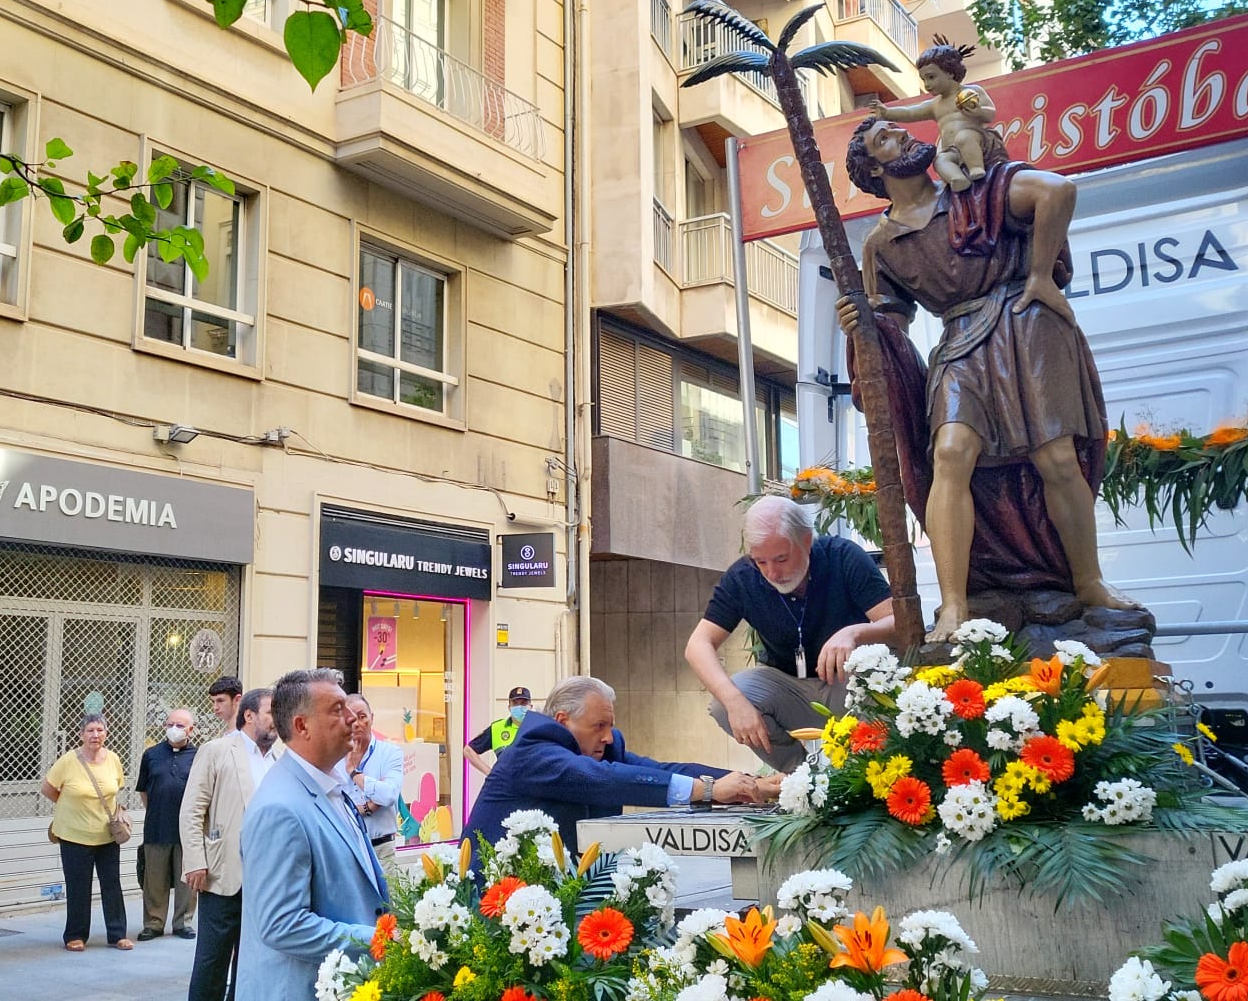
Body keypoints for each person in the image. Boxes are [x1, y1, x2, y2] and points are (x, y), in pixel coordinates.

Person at [840, 114, 1141, 644]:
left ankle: (1089, 583)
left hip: (1025, 322)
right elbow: (891, 322)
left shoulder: (978, 190)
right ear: (873, 170)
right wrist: (862, 326)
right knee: (950, 455)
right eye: (883, 138)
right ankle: (955, 606)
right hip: (959, 340)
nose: (903, 135)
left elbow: (1057, 191)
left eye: (897, 128)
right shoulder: (881, 244)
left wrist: (1041, 275)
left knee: (1056, 457)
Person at [686, 496, 897, 772]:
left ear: (806, 541)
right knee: (723, 705)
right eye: (760, 561)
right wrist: (734, 701)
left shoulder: (843, 556)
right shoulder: (742, 577)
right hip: (789, 687)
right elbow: (697, 645)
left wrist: (855, 633)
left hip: (848, 683)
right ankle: (804, 777)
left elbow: (900, 624)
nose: (772, 572)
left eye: (781, 559)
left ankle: (868, 774)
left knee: (884, 682)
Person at [467, 676, 771, 851]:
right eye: (598, 726)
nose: (608, 737)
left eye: (609, 726)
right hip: (494, 903)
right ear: (563, 721)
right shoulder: (535, 750)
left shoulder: (601, 748)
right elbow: (603, 780)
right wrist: (708, 790)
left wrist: (747, 783)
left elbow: (660, 771)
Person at [234, 669, 384, 1001]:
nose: (352, 719)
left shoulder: (332, 786)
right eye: (337, 709)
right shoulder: (280, 808)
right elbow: (282, 924)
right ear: (302, 726)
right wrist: (376, 941)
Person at [181, 688, 276, 1001]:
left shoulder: (276, 760)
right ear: (249, 715)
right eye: (271, 713)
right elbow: (192, 809)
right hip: (223, 876)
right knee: (212, 962)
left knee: (250, 965)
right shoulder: (218, 751)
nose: (277, 720)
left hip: (263, 881)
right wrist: (195, 859)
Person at [42, 713, 131, 952]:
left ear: (106, 733)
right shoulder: (68, 761)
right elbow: (48, 789)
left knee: (112, 884)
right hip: (74, 835)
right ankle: (76, 935)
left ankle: (117, 934)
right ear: (81, 735)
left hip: (106, 835)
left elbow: (115, 790)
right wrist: (69, 805)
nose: (95, 735)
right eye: (90, 730)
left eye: (100, 730)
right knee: (78, 886)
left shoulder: (113, 759)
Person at [873, 37, 996, 192]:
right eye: (923, 79)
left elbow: (991, 114)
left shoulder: (972, 92)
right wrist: (887, 113)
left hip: (976, 142)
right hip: (952, 150)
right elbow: (910, 113)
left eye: (931, 77)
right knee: (940, 160)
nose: (927, 84)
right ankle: (957, 178)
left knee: (964, 137)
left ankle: (976, 168)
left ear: (950, 73)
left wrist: (979, 112)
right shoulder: (936, 104)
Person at [135, 708, 198, 942]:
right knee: (154, 879)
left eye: (180, 725)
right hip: (157, 827)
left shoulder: (199, 756)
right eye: (170, 724)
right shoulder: (151, 755)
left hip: (188, 830)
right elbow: (143, 791)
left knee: (186, 881)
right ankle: (154, 923)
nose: (174, 729)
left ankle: (183, 922)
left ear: (191, 729)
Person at [342, 694, 403, 874]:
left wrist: (353, 772)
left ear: (372, 718)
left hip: (382, 849)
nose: (357, 723)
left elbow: (389, 795)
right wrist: (370, 805)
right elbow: (333, 801)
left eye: (362, 717)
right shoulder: (334, 757)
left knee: (388, 901)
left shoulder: (390, 753)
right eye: (351, 718)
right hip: (347, 849)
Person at [462, 686, 531, 775]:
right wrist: (490, 773)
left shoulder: (539, 728)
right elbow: (468, 751)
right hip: (506, 787)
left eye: (523, 703)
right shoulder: (497, 728)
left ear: (530, 706)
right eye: (515, 703)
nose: (519, 707)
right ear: (509, 707)